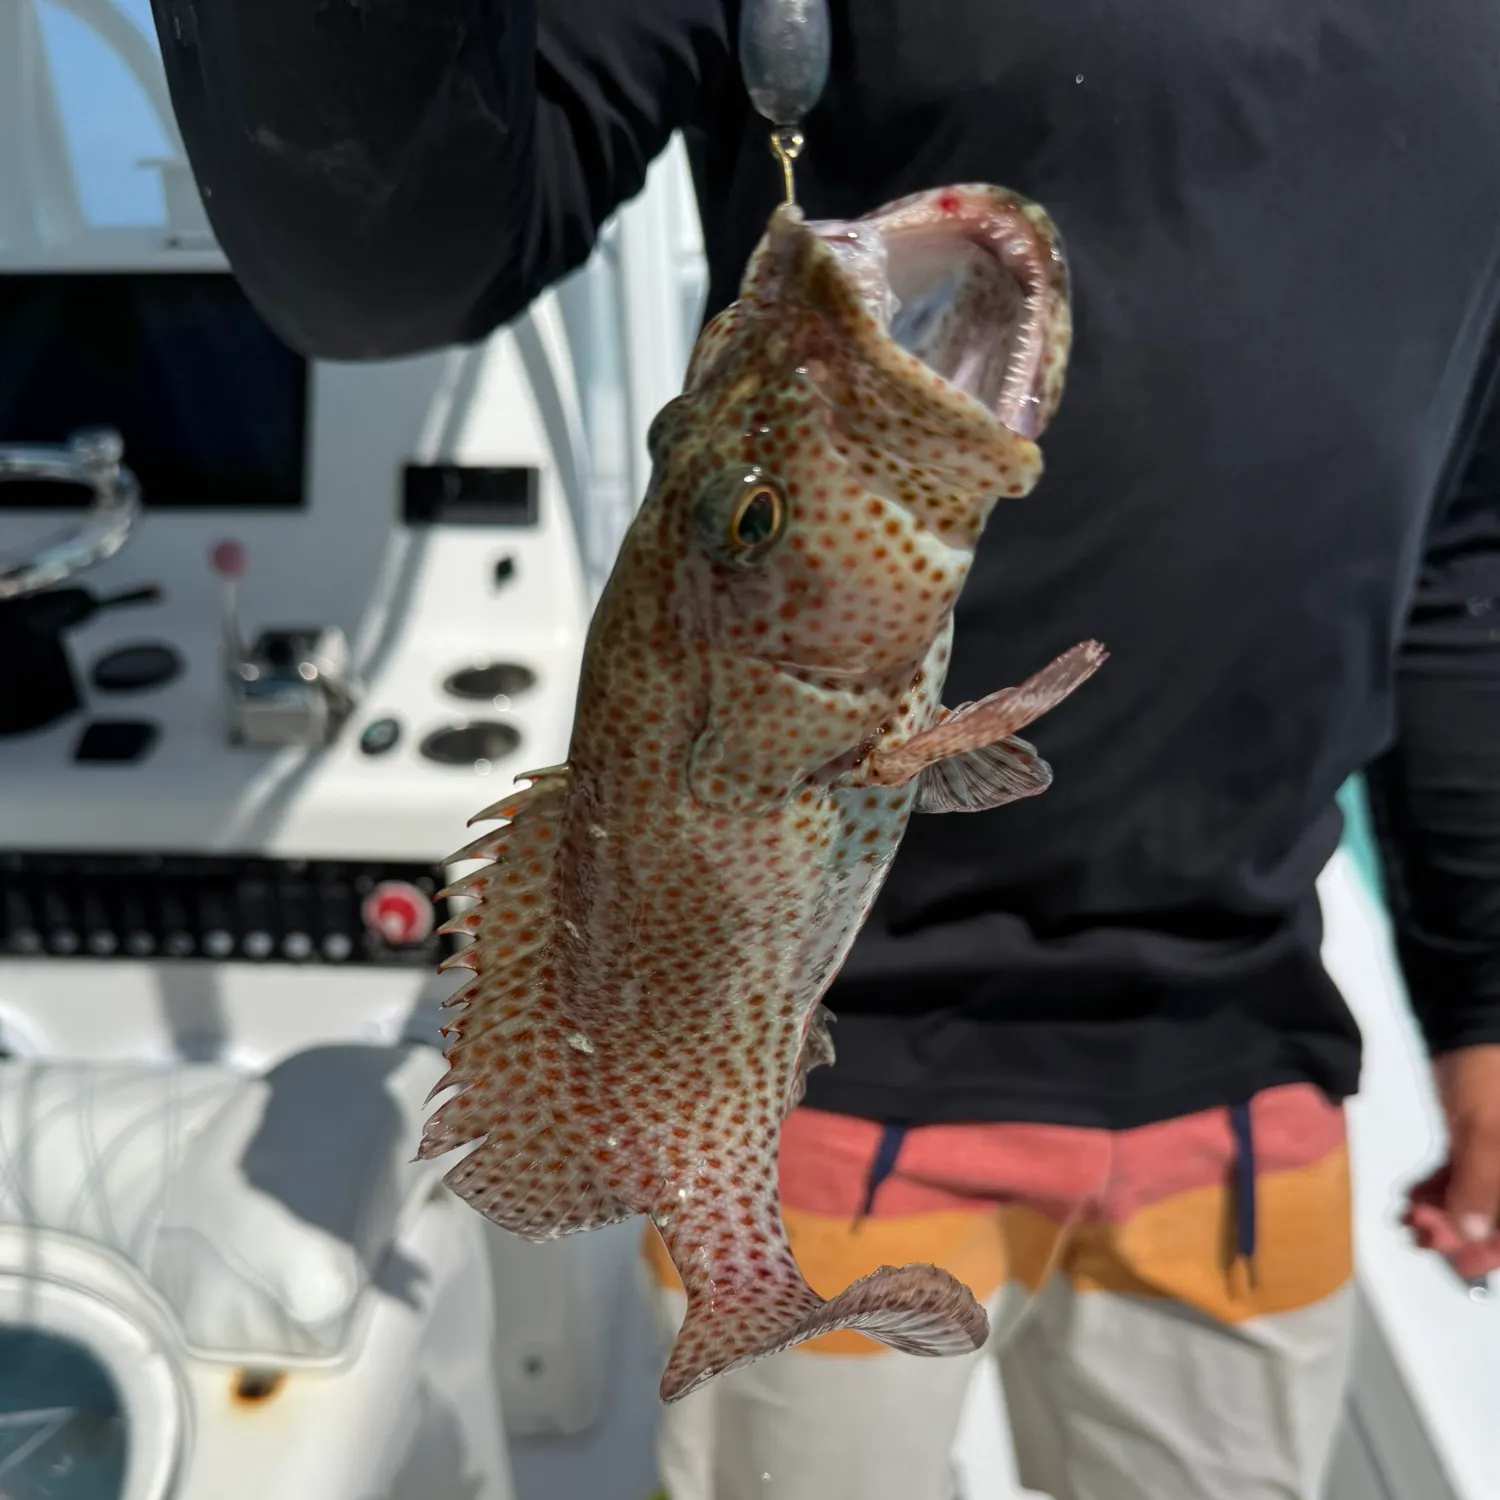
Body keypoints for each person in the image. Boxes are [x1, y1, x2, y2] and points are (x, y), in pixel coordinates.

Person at [146, 3, 1500, 1497]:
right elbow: (379, 257)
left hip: (1245, 1052)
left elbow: (1464, 547)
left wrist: (1480, 1010)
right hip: (824, 1086)